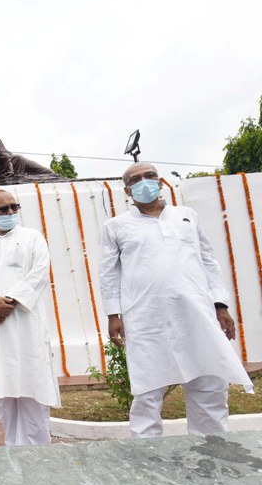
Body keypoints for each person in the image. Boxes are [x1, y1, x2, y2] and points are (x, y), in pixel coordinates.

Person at [98, 162, 253, 438]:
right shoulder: (116, 226)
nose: (144, 181)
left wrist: (220, 305)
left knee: (209, 382)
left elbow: (208, 261)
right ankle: (148, 456)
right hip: (146, 318)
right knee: (147, 391)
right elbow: (108, 273)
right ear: (126, 190)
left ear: (160, 182)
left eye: (150, 176)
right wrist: (113, 315)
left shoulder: (187, 216)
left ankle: (212, 452)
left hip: (197, 314)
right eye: (136, 179)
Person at [0, 190, 61, 445]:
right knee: (5, 394)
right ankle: (13, 450)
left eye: (13, 207)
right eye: (3, 209)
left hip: (26, 325)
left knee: (33, 388)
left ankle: (39, 454)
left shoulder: (32, 238)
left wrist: (8, 303)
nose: (10, 213)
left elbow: (40, 272)